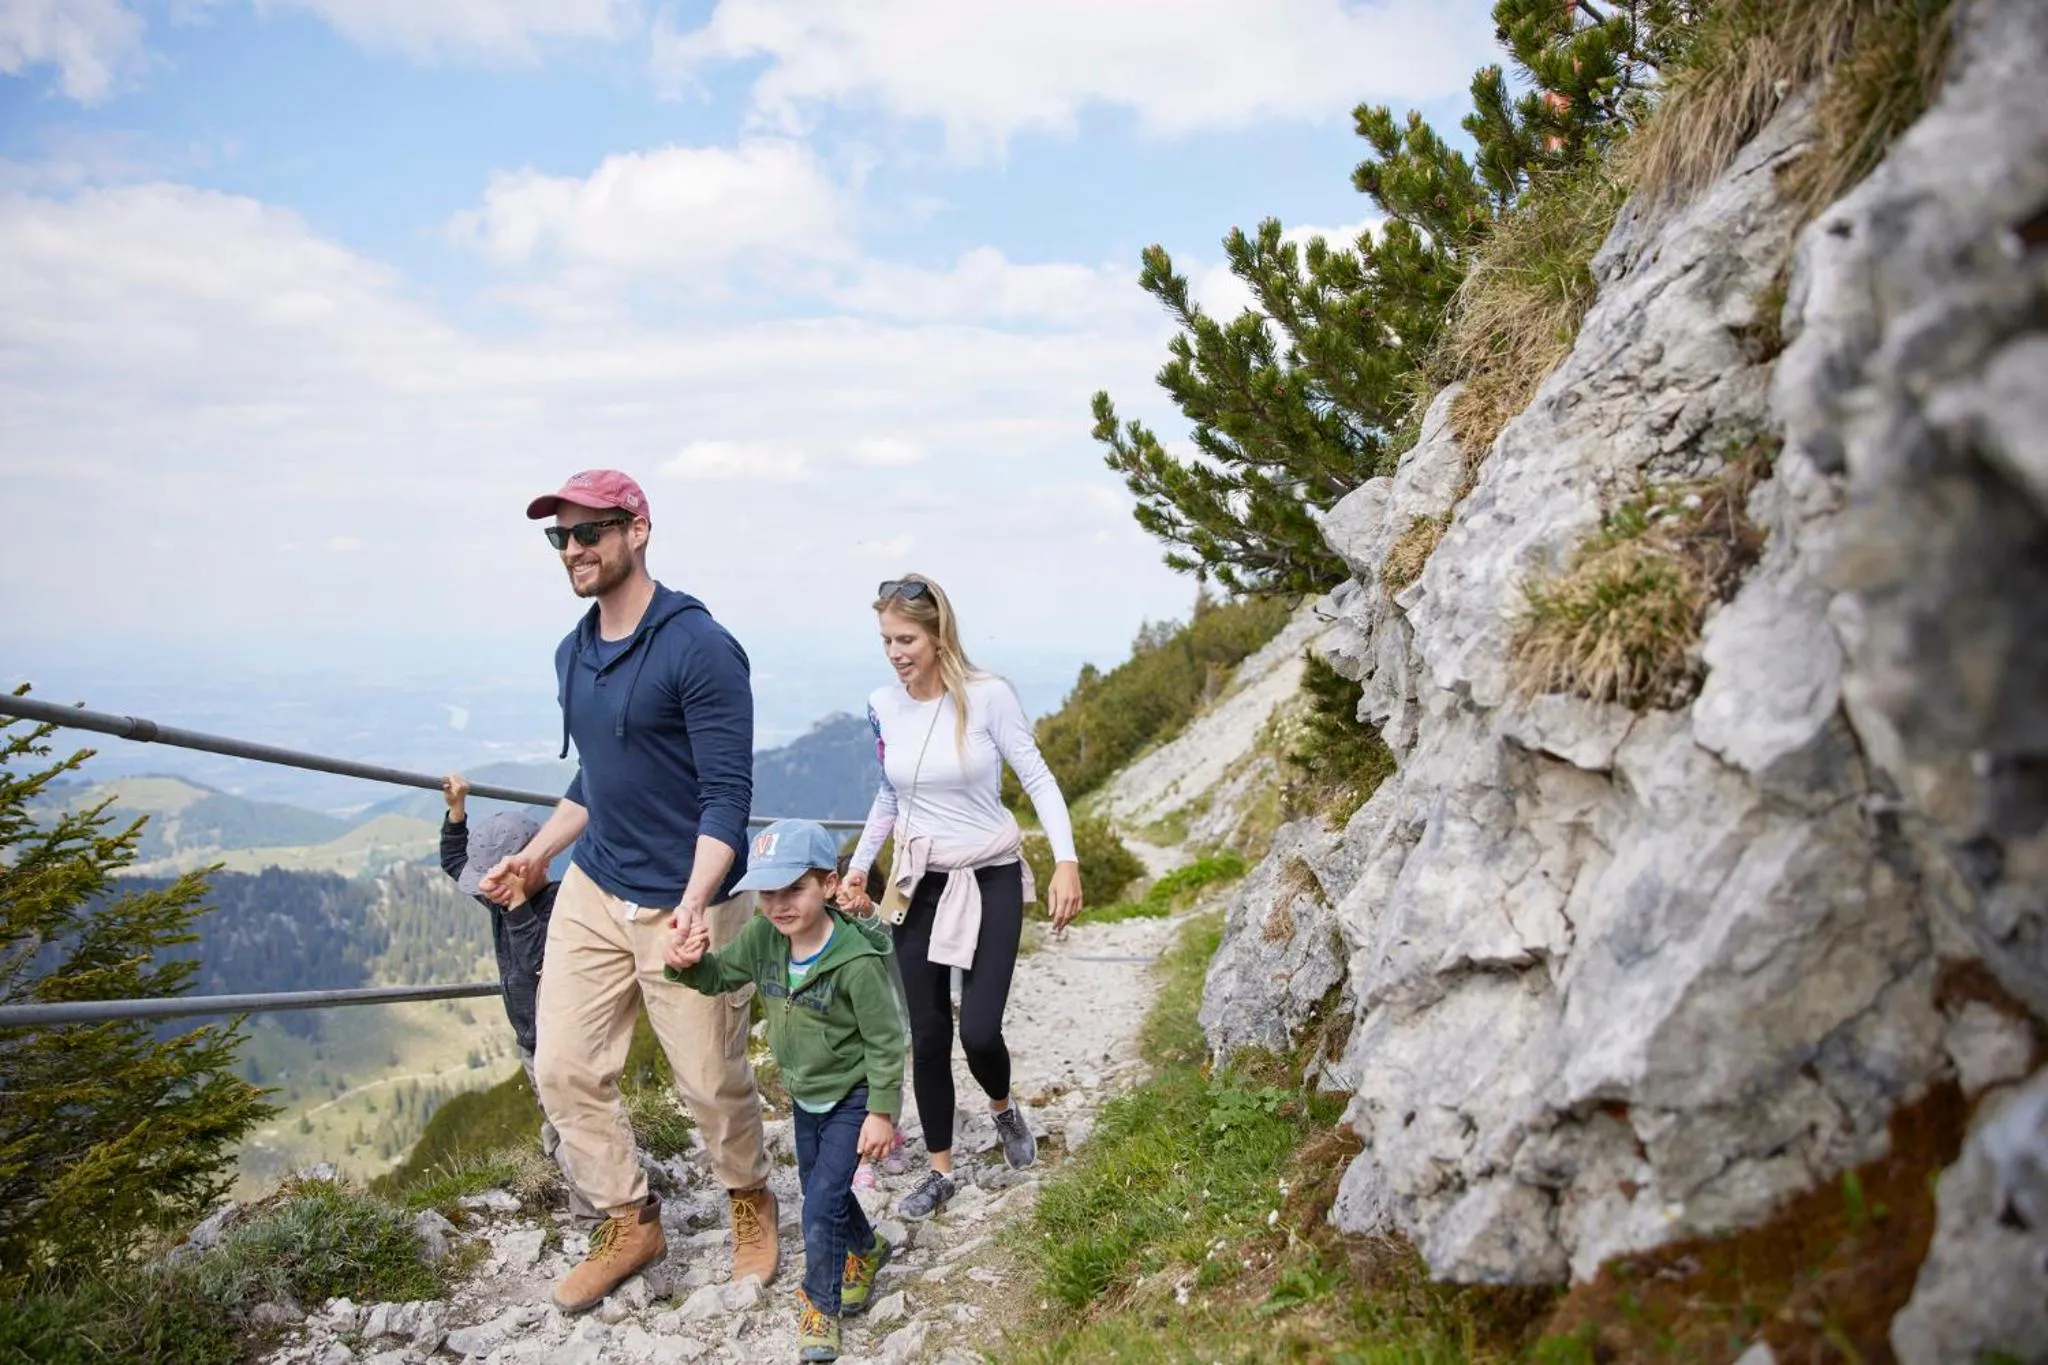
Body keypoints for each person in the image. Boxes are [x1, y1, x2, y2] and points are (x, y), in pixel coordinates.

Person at [478, 468, 779, 1314]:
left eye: (589, 531)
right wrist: (537, 856)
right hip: (596, 885)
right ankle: (629, 1218)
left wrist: (694, 901)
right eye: (560, 536)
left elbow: (726, 796)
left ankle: (750, 1196)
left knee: (711, 1081)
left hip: (688, 899)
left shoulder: (699, 646)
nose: (573, 549)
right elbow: (597, 777)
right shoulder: (572, 652)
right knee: (562, 1064)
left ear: (637, 529)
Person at [837, 573, 1084, 1221]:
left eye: (907, 639)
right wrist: (859, 867)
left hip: (989, 876)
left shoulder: (989, 696)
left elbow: (1039, 779)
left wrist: (1066, 862)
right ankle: (940, 1169)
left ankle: (1002, 1107)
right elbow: (889, 793)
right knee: (926, 1033)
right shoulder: (882, 704)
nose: (895, 652)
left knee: (977, 1029)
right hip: (917, 881)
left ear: (939, 635)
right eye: (887, 640)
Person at [665, 819, 906, 1364]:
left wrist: (881, 1112)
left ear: (827, 884)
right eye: (767, 892)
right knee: (821, 1188)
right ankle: (866, 1249)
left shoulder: (856, 962)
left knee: (818, 1204)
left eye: (794, 889)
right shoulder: (761, 938)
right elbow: (718, 977)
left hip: (851, 1095)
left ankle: (820, 1307)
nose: (778, 905)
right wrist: (685, 963)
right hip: (804, 1093)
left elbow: (886, 1041)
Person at [437, 774, 600, 1226]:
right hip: (530, 1039)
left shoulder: (560, 905)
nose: (486, 890)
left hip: (565, 1039)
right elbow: (455, 862)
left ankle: (597, 1214)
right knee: (559, 1122)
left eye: (495, 882)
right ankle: (598, 1197)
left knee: (572, 1124)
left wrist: (516, 906)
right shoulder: (501, 898)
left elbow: (535, 959)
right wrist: (456, 811)